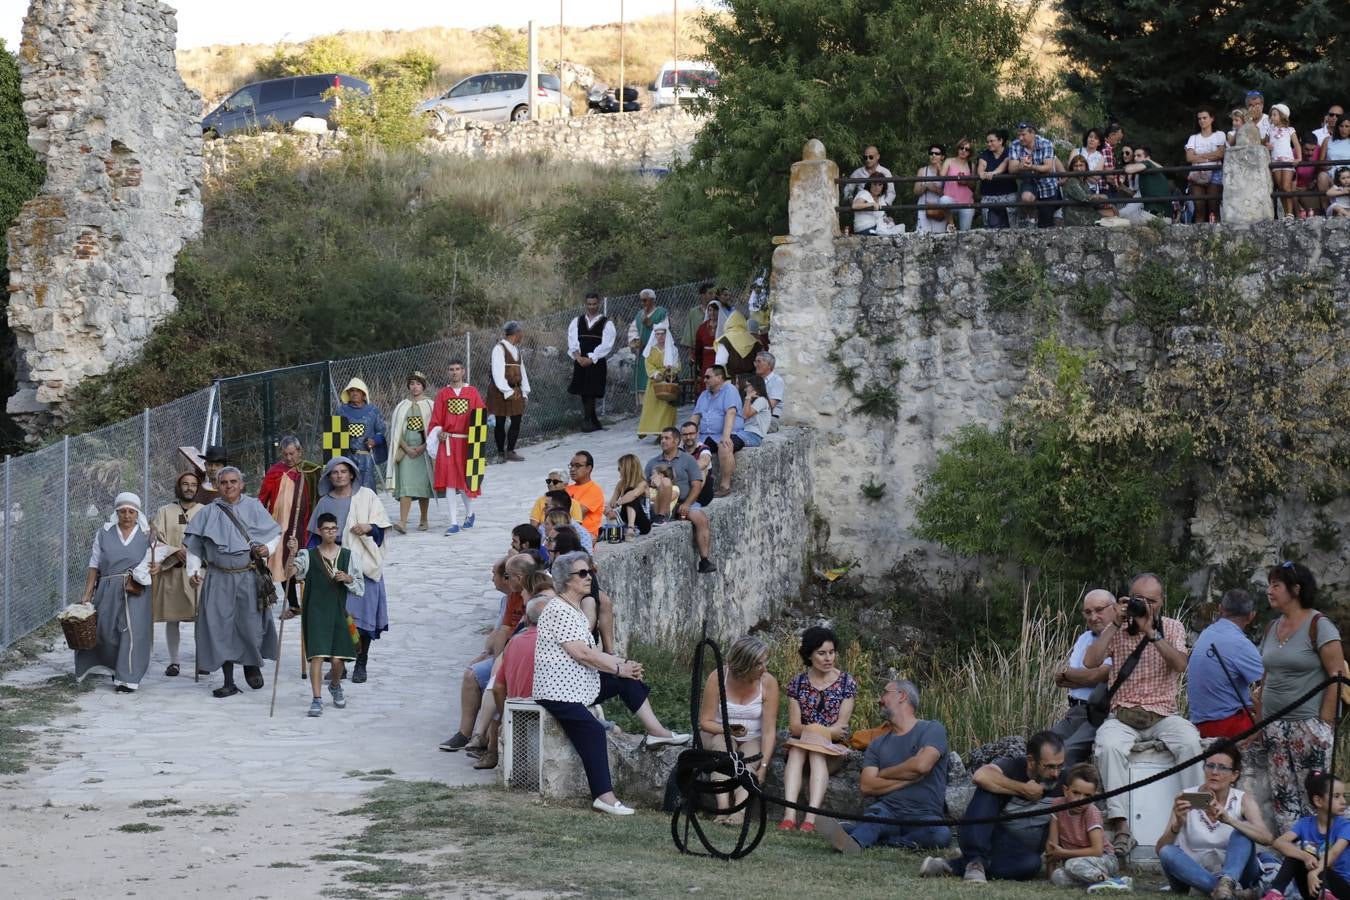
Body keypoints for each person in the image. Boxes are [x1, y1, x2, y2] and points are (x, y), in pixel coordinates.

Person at [532, 551, 690, 815]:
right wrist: (619, 666)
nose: (589, 576)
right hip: (559, 692)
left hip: (580, 685)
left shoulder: (574, 608)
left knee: (624, 680)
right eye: (582, 573)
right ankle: (604, 797)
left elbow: (591, 653)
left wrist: (622, 665)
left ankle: (656, 733)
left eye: (589, 571)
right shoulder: (560, 610)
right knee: (594, 731)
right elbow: (582, 653)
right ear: (566, 580)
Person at [1085, 573, 1202, 857]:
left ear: (1161, 602)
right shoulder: (1118, 626)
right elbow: (1091, 662)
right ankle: (1122, 826)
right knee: (1108, 745)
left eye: (1152, 601)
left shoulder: (1172, 627)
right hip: (1123, 715)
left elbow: (1180, 664)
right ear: (1129, 598)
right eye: (1140, 600)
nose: (1146, 606)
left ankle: (1198, 817)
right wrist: (1115, 622)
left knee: (1190, 742)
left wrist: (1152, 633)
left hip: (1163, 714)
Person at [1258, 561, 1345, 834]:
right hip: (1274, 725)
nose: (1269, 591)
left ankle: (1326, 859)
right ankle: (1294, 859)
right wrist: (1260, 718)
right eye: (1269, 585)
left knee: (1316, 797)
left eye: (1276, 585)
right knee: (1283, 797)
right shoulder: (1272, 626)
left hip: (1307, 725)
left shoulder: (1320, 625)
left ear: (1295, 589)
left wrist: (1324, 723)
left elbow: (1336, 675)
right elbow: (1267, 674)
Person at [817, 678, 949, 853]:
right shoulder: (877, 744)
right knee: (875, 820)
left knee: (941, 834)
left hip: (925, 816)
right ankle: (854, 843)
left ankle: (869, 837)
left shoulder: (932, 729)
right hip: (887, 812)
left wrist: (884, 773)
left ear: (901, 696)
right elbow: (867, 786)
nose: (879, 699)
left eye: (885, 693)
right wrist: (908, 779)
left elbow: (921, 766)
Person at [184, 466, 281, 698]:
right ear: (217, 486)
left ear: (241, 484)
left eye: (233, 481)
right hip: (218, 578)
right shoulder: (207, 512)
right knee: (220, 627)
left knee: (250, 624)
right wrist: (193, 569)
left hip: (248, 576)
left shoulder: (254, 507)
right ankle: (228, 681)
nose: (229, 486)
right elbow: (194, 545)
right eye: (224, 482)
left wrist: (267, 548)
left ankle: (251, 664)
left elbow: (274, 534)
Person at [921, 730, 1066, 883]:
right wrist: (1023, 789)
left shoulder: (1064, 781)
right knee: (988, 787)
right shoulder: (1014, 766)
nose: (1056, 774)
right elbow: (980, 776)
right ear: (1031, 761)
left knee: (1032, 865)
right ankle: (975, 857)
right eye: (1049, 767)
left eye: (1060, 766)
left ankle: (959, 865)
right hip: (989, 836)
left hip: (1021, 852)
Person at [307, 456, 391, 684]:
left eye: (344, 471)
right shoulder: (324, 502)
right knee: (338, 618)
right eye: (335, 472)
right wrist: (310, 564)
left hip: (362, 562)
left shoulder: (367, 497)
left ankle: (361, 662)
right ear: (329, 476)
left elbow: (381, 529)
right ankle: (340, 663)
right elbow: (314, 539)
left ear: (352, 474)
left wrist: (369, 527)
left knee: (361, 619)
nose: (339, 476)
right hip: (333, 563)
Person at [1156, 740, 1271, 897]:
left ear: (1234, 775)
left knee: (1242, 832)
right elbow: (1161, 850)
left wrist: (1230, 820)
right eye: (1210, 766)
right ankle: (1222, 891)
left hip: (1239, 875)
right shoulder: (1187, 796)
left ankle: (1226, 884)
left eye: (1222, 768)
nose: (1214, 772)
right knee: (1167, 852)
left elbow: (1267, 838)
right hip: (1195, 874)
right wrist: (1177, 825)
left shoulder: (1243, 800)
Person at [283, 512, 362, 717]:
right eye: (326, 529)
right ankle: (316, 699)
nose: (330, 532)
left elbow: (359, 587)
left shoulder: (347, 555)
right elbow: (289, 573)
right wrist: (291, 553)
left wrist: (347, 578)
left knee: (337, 661)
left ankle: (335, 685)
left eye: (333, 529)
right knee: (316, 656)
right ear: (319, 531)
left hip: (338, 612)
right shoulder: (307, 555)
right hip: (316, 612)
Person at [780, 626, 858, 832]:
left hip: (831, 752)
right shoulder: (797, 684)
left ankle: (810, 818)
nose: (828, 658)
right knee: (798, 749)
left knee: (814, 751)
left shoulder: (846, 683)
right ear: (809, 655)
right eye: (821, 653)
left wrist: (814, 730)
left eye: (831, 652)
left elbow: (840, 729)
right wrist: (822, 730)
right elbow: (795, 727)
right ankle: (789, 816)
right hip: (801, 748)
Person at [697, 634, 780, 826]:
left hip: (753, 737)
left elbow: (769, 731)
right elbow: (705, 721)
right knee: (723, 748)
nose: (764, 668)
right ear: (744, 665)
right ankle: (722, 809)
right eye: (759, 664)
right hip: (718, 732)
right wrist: (729, 730)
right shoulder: (717, 677)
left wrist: (764, 766)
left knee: (748, 761)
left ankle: (739, 813)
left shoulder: (768, 682)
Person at [74, 492, 153, 693]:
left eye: (131, 512)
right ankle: (114, 666)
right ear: (116, 512)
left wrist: (156, 568)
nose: (127, 516)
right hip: (108, 587)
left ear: (137, 513)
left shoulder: (147, 535)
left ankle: (128, 679)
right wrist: (87, 593)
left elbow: (156, 560)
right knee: (107, 632)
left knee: (133, 632)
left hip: (135, 589)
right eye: (123, 511)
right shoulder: (104, 533)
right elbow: (94, 565)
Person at [1049, 589, 1117, 767]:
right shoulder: (1084, 638)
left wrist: (1072, 674)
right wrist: (1085, 676)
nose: (1093, 617)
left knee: (1067, 753)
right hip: (1075, 712)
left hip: (1100, 714)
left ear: (1115, 608)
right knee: (1043, 745)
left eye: (1099, 610)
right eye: (1088, 612)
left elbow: (1098, 675)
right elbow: (1062, 679)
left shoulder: (1122, 639)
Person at [1188, 589, 1263, 739]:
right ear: (1251, 616)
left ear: (1220, 608)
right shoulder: (1241, 644)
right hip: (1227, 726)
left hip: (1199, 725)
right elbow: (1273, 684)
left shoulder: (1206, 633)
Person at [149, 472, 203, 677]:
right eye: (185, 484)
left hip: (196, 572)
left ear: (197, 487)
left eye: (193, 484)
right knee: (173, 618)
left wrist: (195, 554)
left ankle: (203, 659)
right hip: (172, 570)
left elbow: (210, 539)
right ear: (179, 486)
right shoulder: (165, 511)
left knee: (201, 617)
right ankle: (174, 662)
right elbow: (155, 539)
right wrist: (174, 551)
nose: (189, 488)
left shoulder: (204, 511)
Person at [1268, 771, 1350, 900]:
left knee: (1321, 860)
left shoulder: (1346, 826)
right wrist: (1305, 856)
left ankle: (1326, 894)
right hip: (1313, 887)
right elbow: (1278, 843)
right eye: (1336, 796)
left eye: (1344, 796)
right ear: (1318, 801)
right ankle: (1275, 893)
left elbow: (1333, 853)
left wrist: (1315, 872)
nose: (1343, 801)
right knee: (1294, 855)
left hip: (1342, 889)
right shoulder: (1304, 824)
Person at [427, 360, 487, 535]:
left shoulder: (472, 392)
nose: (454, 372)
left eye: (457, 369)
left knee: (465, 481)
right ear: (448, 372)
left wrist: (477, 440)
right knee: (450, 482)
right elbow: (437, 418)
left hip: (467, 444)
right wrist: (439, 432)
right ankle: (453, 522)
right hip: (448, 443)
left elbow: (480, 415)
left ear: (463, 371)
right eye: (451, 369)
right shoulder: (443, 394)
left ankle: (469, 514)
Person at [645, 426, 715, 573]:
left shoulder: (688, 460)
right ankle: (661, 517)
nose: (663, 441)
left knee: (700, 518)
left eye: (667, 438)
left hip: (684, 502)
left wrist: (687, 503)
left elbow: (696, 485)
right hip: (660, 503)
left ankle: (704, 560)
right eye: (662, 438)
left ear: (676, 441)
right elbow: (644, 487)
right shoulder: (652, 463)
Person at [1046, 763, 1126, 890]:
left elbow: (1097, 851)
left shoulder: (1091, 812)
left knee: (1071, 865)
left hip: (1104, 859)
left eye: (1087, 796)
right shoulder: (1057, 805)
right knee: (1057, 876)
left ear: (1094, 796)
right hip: (1077, 862)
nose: (1081, 800)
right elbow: (1052, 847)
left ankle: (1114, 882)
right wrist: (1050, 876)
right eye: (1076, 793)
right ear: (1065, 790)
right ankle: (1097, 882)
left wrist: (1064, 853)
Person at [257, 436, 319, 587]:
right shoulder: (275, 471)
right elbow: (263, 497)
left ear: (300, 451)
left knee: (306, 557)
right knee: (284, 559)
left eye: (292, 453)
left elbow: (318, 494)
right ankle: (292, 603)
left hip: (305, 523)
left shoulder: (311, 470)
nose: (289, 458)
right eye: (285, 454)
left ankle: (307, 600)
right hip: (282, 524)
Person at [387, 371, 435, 533]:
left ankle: (424, 519)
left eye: (418, 384)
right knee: (406, 484)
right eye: (412, 384)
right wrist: (406, 448)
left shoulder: (430, 405)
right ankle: (403, 521)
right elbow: (396, 431)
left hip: (424, 450)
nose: (415, 387)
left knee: (423, 485)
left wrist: (423, 447)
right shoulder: (402, 406)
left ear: (423, 386)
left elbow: (434, 429)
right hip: (406, 450)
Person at [690, 365, 743, 498]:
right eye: (704, 377)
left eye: (708, 377)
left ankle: (725, 486)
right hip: (705, 435)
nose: (705, 380)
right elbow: (696, 416)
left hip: (728, 433)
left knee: (724, 447)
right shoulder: (704, 394)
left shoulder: (729, 390)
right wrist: (687, 434)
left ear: (719, 378)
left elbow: (730, 413)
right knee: (689, 449)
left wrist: (725, 436)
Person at [567, 292, 616, 433]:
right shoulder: (577, 321)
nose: (592, 307)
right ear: (585, 304)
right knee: (584, 390)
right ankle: (593, 420)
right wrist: (578, 357)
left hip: (596, 361)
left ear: (598, 304)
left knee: (591, 390)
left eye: (594, 304)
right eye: (589, 304)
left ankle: (587, 420)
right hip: (580, 360)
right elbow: (572, 340)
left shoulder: (606, 323)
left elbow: (607, 345)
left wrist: (591, 358)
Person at [487, 321, 530, 463]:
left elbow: (522, 370)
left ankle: (510, 450)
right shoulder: (499, 349)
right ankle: (500, 453)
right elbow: (498, 372)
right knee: (500, 422)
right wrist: (506, 391)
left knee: (516, 420)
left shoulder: (516, 350)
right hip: (501, 391)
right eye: (521, 332)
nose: (522, 335)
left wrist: (524, 391)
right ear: (516, 333)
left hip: (516, 389)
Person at [337, 378, 387, 493]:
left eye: (357, 391)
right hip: (347, 458)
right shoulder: (341, 411)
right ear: (348, 393)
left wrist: (374, 441)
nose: (354, 393)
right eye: (352, 390)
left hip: (366, 459)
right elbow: (336, 436)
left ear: (363, 393)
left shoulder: (373, 411)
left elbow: (381, 431)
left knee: (367, 493)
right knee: (348, 492)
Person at [1009, 122, 1060, 228]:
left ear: (1032, 133)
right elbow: (1011, 169)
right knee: (1026, 198)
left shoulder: (1046, 143)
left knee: (1046, 223)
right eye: (1019, 135)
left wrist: (1031, 166)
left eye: (1023, 135)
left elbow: (1048, 167)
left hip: (1047, 185)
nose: (1020, 138)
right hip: (1028, 180)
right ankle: (1031, 216)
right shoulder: (1015, 145)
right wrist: (1020, 166)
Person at [637, 320, 679, 439]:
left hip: (668, 382)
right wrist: (655, 374)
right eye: (658, 334)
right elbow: (648, 364)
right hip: (654, 383)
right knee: (652, 407)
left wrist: (671, 371)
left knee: (666, 409)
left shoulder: (673, 350)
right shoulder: (651, 350)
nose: (660, 336)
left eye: (662, 334)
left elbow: (677, 365)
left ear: (667, 335)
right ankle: (649, 430)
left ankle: (664, 433)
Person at [1185, 108, 1227, 223]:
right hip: (1197, 175)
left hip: (1215, 173)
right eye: (1199, 119)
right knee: (1199, 209)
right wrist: (1210, 157)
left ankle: (1216, 238)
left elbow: (1220, 154)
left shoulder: (1219, 135)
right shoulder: (1193, 137)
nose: (1202, 121)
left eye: (1204, 118)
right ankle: (1199, 239)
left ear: (1212, 119)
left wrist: (1199, 157)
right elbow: (1189, 157)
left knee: (1214, 209)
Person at [628, 288, 668, 402]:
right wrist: (636, 342)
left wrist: (650, 323)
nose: (642, 303)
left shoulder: (662, 313)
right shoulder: (639, 315)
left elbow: (665, 330)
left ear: (652, 300)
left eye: (645, 300)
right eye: (641, 300)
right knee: (643, 389)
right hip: (643, 355)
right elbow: (633, 330)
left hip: (658, 354)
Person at [978, 129, 1018, 229]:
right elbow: (981, 165)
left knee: (1010, 228)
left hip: (1008, 196)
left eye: (992, 141)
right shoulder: (985, 154)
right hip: (989, 197)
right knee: (991, 228)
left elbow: (1005, 163)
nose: (989, 144)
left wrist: (993, 173)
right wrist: (981, 173)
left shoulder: (1010, 152)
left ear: (1000, 141)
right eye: (987, 142)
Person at [603, 453, 650, 538]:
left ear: (627, 469)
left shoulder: (643, 483)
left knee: (630, 492)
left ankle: (631, 528)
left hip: (642, 523)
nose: (618, 471)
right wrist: (609, 510)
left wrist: (618, 504)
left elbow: (634, 494)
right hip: (625, 519)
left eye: (619, 468)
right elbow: (612, 503)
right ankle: (626, 528)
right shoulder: (620, 484)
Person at [1060, 156, 1114, 226]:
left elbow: (1090, 199)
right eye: (1075, 166)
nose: (1078, 169)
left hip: (1085, 211)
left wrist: (1105, 203)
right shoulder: (1072, 180)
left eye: (1081, 165)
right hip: (1077, 216)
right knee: (1111, 218)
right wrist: (1101, 196)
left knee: (1112, 211)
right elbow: (1084, 198)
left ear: (1086, 167)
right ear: (1072, 168)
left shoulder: (1083, 181)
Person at [1268, 103, 1301, 218]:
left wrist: (1299, 158)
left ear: (1282, 116)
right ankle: (1286, 213)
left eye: (1274, 115)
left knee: (1287, 187)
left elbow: (1296, 145)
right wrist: (1267, 145)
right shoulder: (1270, 130)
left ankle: (1290, 213)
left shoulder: (1290, 130)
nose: (1272, 117)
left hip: (1287, 161)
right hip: (1275, 161)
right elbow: (1266, 143)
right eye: (1271, 115)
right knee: (1281, 188)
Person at [1124, 146, 1173, 220]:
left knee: (1122, 218)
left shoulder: (1147, 163)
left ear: (1147, 158)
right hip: (1165, 217)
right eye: (1134, 156)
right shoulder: (1153, 170)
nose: (1135, 158)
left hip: (1153, 216)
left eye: (1139, 156)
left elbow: (1128, 169)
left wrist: (1126, 166)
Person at [938, 138, 977, 232]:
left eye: (967, 149)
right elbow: (941, 176)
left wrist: (966, 182)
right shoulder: (949, 161)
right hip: (951, 199)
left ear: (970, 152)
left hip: (966, 202)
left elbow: (973, 185)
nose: (963, 151)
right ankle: (951, 225)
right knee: (943, 200)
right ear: (957, 148)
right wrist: (938, 164)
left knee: (965, 232)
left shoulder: (972, 165)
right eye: (961, 148)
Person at [565, 451, 605, 540]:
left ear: (588, 468)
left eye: (577, 466)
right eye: (571, 465)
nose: (572, 469)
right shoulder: (567, 488)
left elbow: (577, 514)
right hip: (566, 533)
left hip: (583, 537)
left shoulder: (594, 490)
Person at [679, 420, 717, 511]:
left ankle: (691, 502)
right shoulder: (678, 450)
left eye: (691, 434)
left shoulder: (703, 448)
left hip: (702, 495)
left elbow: (704, 462)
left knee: (701, 470)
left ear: (697, 434)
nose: (688, 437)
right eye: (685, 435)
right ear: (681, 436)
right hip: (683, 489)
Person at [913, 144, 948, 233]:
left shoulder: (947, 172)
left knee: (939, 238)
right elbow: (916, 191)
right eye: (931, 153)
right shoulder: (922, 171)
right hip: (924, 209)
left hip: (940, 210)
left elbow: (950, 194)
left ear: (942, 156)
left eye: (937, 153)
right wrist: (926, 186)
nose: (933, 155)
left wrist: (935, 189)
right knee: (922, 238)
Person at [737, 374, 772, 448]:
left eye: (747, 386)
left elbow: (745, 415)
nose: (745, 389)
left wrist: (748, 397)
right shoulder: (754, 402)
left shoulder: (761, 400)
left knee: (728, 441)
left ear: (755, 386)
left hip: (753, 436)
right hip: (745, 433)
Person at [753, 351, 785, 430]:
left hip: (770, 418)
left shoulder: (777, 380)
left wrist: (750, 411)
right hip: (753, 415)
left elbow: (771, 404)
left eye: (759, 361)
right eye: (755, 361)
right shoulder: (755, 380)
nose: (756, 365)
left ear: (769, 365)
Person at [692, 299, 724, 375]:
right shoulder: (702, 327)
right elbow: (698, 346)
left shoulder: (724, 327)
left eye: (715, 310)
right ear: (707, 312)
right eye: (710, 310)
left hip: (720, 359)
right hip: (706, 359)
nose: (712, 313)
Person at [682, 282, 713, 355]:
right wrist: (690, 353)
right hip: (699, 350)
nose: (713, 296)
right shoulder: (693, 312)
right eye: (710, 293)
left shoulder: (718, 311)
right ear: (703, 295)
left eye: (714, 293)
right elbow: (689, 334)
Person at [1073, 128, 1106, 193]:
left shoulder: (1101, 157)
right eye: (1090, 136)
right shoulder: (1075, 151)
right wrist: (1090, 175)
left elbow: (1096, 177)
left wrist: (1080, 171)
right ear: (1087, 138)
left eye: (1096, 138)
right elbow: (1071, 169)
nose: (1092, 139)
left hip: (1091, 190)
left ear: (1099, 143)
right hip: (1075, 188)